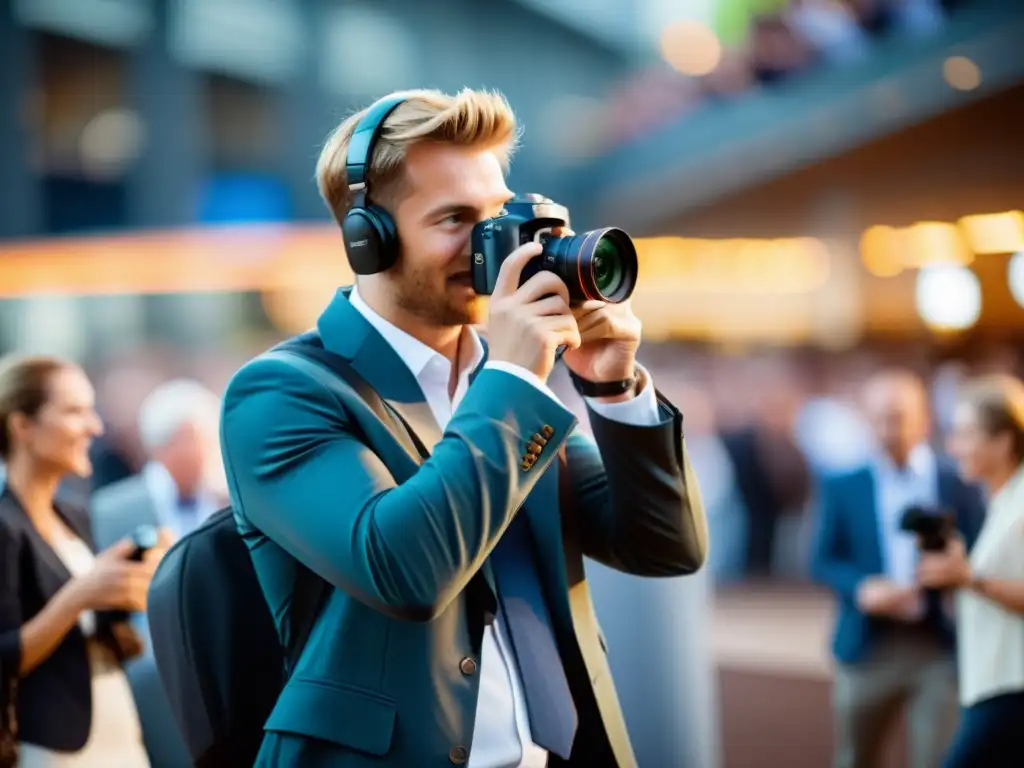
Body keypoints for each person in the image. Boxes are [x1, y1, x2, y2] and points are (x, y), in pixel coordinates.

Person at [219, 88, 708, 767]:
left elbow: (664, 546)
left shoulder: (501, 384)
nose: (491, 246)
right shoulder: (282, 393)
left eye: (497, 215)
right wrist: (512, 380)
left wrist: (613, 384)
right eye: (456, 219)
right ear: (369, 238)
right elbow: (403, 571)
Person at [0, 354, 169, 767]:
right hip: (51, 747)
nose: (95, 426)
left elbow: (96, 634)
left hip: (116, 726)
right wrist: (79, 595)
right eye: (75, 411)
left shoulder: (74, 514)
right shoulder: (4, 526)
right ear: (23, 426)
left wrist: (131, 584)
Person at [810, 368, 985, 768]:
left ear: (925, 417)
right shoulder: (843, 483)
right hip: (868, 649)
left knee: (939, 758)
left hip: (939, 647)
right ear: (867, 421)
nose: (893, 428)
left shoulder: (957, 481)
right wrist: (861, 589)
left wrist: (959, 569)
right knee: (857, 758)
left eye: (901, 415)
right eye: (882, 417)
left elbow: (978, 550)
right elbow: (821, 560)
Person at [91, 378, 224, 768]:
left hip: (219, 669)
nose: (202, 452)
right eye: (190, 440)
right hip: (146, 679)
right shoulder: (111, 509)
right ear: (163, 445)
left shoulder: (227, 499)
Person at [917, 374, 1024, 767]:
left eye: (966, 434)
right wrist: (958, 577)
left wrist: (969, 578)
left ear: (1004, 441)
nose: (953, 446)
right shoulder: (1001, 501)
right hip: (993, 684)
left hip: (1011, 687)